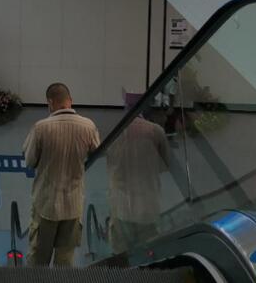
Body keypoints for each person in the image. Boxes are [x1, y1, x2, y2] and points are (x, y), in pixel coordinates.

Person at [22, 83, 101, 267]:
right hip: (73, 206)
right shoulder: (88, 126)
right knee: (65, 259)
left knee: (38, 258)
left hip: (46, 205)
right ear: (70, 100)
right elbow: (96, 153)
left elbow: (30, 161)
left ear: (50, 103)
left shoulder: (41, 128)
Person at [107, 106, 170, 253]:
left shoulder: (115, 132)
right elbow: (165, 165)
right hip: (147, 205)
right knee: (148, 250)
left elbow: (110, 165)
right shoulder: (156, 131)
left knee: (121, 251)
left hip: (121, 204)